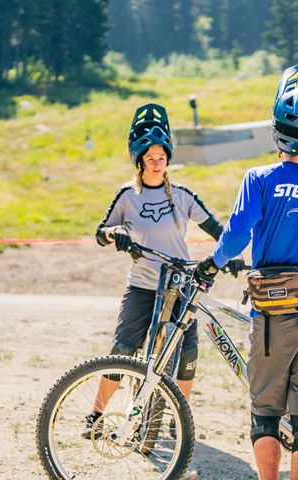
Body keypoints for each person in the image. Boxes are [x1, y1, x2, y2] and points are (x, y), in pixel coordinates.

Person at [194, 65, 298, 480]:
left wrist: (212, 263)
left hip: (272, 318)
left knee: (266, 416)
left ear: (277, 132)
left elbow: (237, 235)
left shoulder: (259, 179)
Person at [84, 103, 243, 437]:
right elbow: (100, 233)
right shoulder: (128, 196)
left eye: (161, 157)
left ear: (168, 159)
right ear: (140, 161)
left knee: (188, 353)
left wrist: (231, 255)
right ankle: (96, 416)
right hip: (142, 285)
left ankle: (179, 418)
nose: (157, 163)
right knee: (123, 349)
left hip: (181, 285)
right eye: (150, 158)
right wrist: (116, 233)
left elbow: (218, 229)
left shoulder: (182, 196)